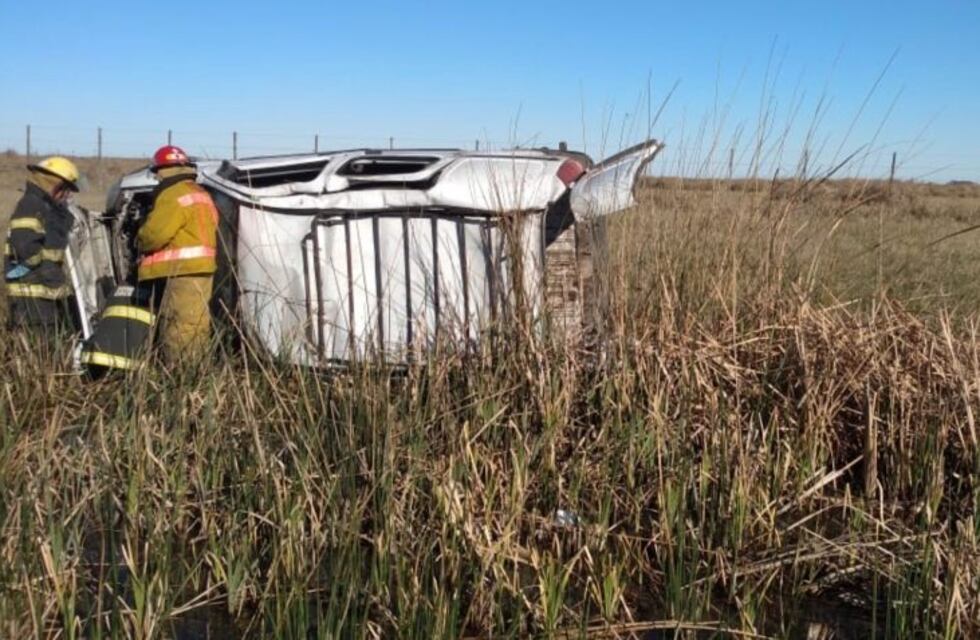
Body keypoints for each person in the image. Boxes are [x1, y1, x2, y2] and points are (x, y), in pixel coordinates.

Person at [137, 145, 218, 363]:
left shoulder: (172, 193)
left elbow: (155, 234)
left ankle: (180, 374)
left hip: (183, 270)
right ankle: (196, 370)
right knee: (195, 324)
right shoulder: (199, 192)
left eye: (157, 173)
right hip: (201, 269)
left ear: (161, 169)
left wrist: (139, 238)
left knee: (179, 326)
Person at [4, 156, 81, 334]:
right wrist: (54, 281)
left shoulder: (44, 208)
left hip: (43, 303)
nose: (67, 195)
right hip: (31, 305)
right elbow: (27, 251)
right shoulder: (31, 205)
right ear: (55, 185)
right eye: (66, 189)